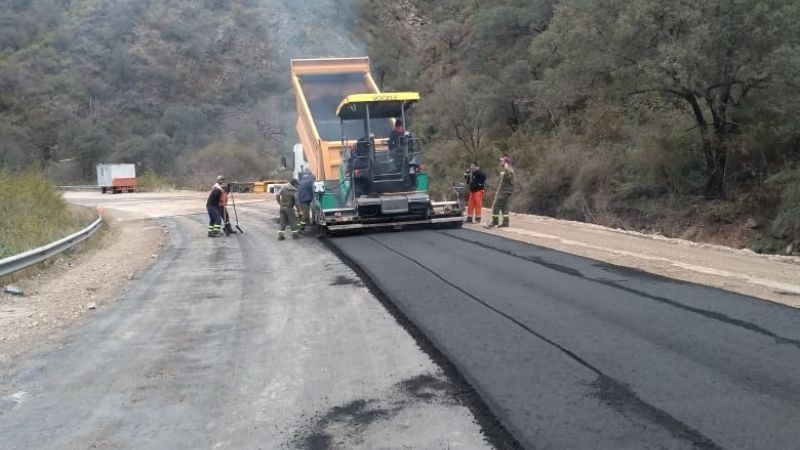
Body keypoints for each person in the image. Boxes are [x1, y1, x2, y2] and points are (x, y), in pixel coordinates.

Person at [487, 154, 514, 228]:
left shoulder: (509, 169)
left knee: (496, 205)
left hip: (505, 191)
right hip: (503, 191)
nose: (500, 162)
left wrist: (506, 169)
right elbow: (501, 181)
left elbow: (509, 178)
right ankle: (505, 222)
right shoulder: (504, 170)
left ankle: (495, 222)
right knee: (504, 206)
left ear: (506, 162)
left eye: (502, 161)